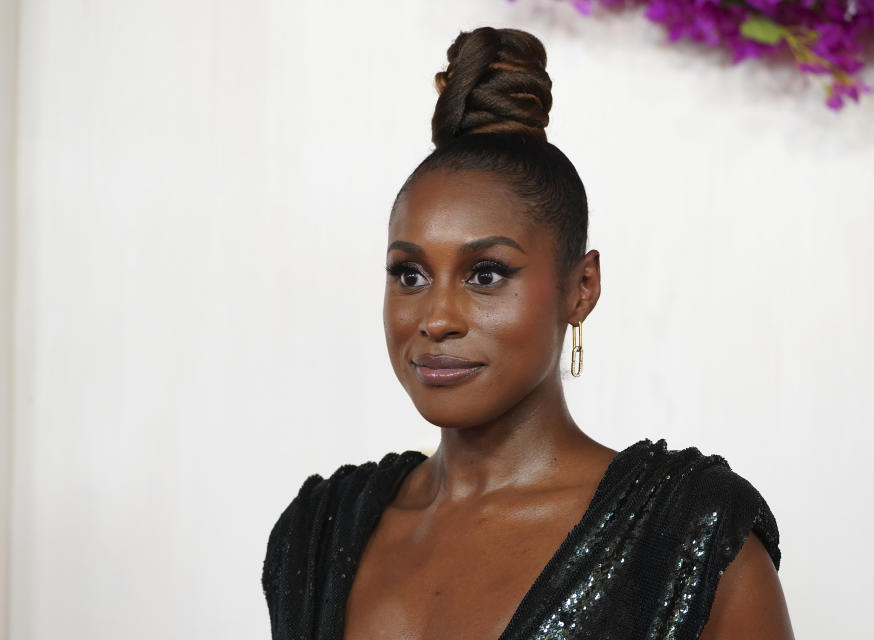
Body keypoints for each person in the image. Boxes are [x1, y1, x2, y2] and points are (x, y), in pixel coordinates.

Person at [262, 26, 794, 640]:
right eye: (409, 273)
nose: (436, 318)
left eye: (485, 274)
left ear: (581, 287)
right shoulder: (319, 535)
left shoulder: (687, 539)